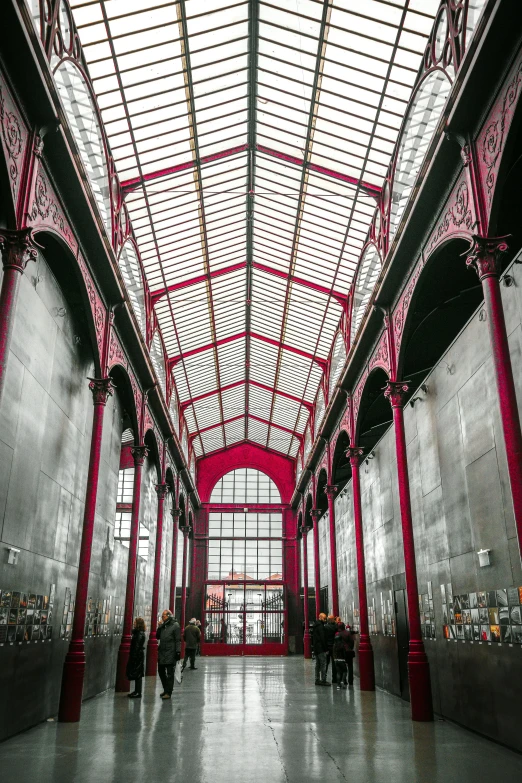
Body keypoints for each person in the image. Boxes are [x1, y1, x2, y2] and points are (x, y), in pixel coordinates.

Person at [156, 609, 181, 699]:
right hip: (162, 652)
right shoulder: (163, 626)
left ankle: (168, 692)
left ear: (169, 616)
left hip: (171, 652)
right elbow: (157, 636)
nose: (162, 617)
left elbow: (178, 640)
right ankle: (166, 689)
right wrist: (159, 627)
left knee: (170, 673)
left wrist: (178, 652)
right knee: (161, 671)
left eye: (164, 615)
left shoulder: (175, 626)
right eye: (162, 616)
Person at [126, 616, 146, 698]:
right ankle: (137, 691)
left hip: (137, 656)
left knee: (138, 674)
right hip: (138, 655)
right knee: (138, 673)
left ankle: (138, 692)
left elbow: (136, 646)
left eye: (135, 622)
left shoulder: (139, 634)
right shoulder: (138, 633)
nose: (133, 623)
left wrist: (134, 657)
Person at [311, 612, 330, 686]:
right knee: (323, 664)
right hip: (321, 648)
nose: (325, 620)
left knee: (317, 664)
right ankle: (323, 680)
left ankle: (317, 679)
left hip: (316, 648)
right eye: (324, 618)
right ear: (321, 618)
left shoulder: (315, 625)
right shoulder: (321, 626)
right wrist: (326, 649)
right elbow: (323, 638)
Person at [336, 622, 357, 687]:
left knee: (341, 667)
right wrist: (349, 648)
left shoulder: (337, 634)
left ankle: (343, 680)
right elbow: (352, 642)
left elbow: (336, 643)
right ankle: (350, 680)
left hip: (340, 653)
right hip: (348, 651)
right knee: (350, 666)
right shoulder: (348, 633)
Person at [324, 614, 338, 684]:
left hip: (327, 646)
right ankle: (334, 678)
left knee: (326, 663)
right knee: (334, 663)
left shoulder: (325, 627)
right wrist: (336, 622)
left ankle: (324, 677)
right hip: (333, 646)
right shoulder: (335, 627)